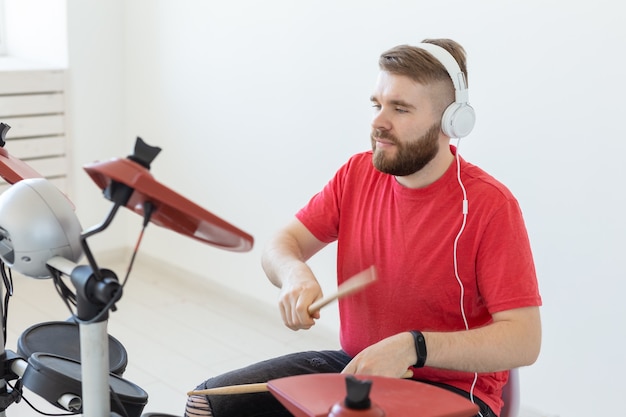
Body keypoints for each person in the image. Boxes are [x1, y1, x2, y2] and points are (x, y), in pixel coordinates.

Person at [185, 38, 542, 417]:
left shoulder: (490, 205)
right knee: (207, 403)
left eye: (400, 109)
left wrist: (413, 346)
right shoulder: (357, 174)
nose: (378, 122)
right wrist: (294, 275)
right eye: (377, 105)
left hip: (453, 392)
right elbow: (282, 243)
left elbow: (525, 339)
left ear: (451, 121)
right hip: (358, 370)